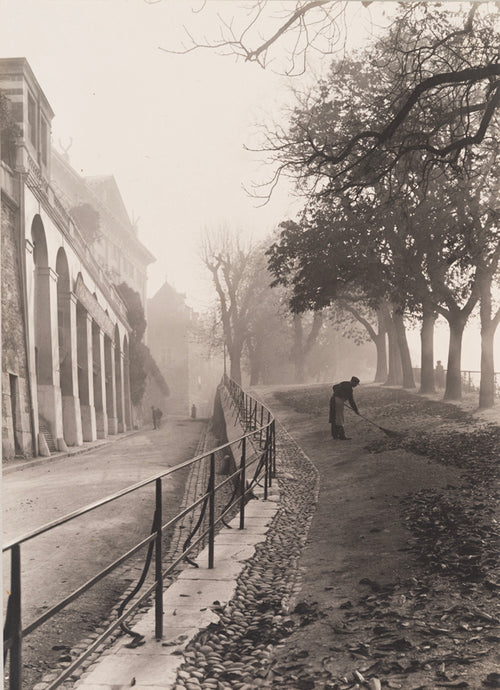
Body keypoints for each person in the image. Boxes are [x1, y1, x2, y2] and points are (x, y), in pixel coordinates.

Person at [329, 376, 360, 440]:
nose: (356, 385)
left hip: (333, 400)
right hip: (337, 401)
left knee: (335, 418)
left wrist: (339, 395)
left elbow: (334, 387)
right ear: (352, 382)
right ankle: (341, 436)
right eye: (356, 384)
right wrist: (356, 410)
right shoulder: (349, 389)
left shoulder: (344, 383)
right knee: (339, 418)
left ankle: (335, 435)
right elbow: (351, 401)